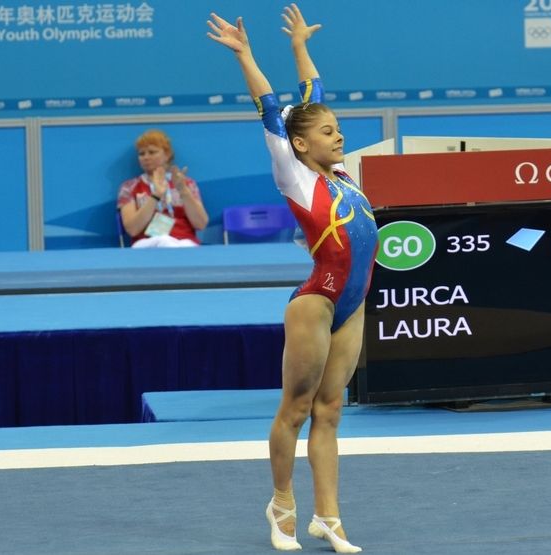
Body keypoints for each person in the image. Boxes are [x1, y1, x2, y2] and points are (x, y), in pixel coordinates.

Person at [208, 5, 377, 552]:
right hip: (318, 302)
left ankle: (329, 516)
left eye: (339, 129)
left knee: (331, 410)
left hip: (354, 302)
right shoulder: (295, 176)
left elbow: (312, 94)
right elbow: (271, 108)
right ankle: (281, 503)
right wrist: (245, 54)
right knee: (297, 409)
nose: (338, 135)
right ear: (300, 145)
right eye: (328, 132)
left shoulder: (342, 174)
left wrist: (301, 46)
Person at [117, 129, 209, 247]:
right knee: (163, 241)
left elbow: (201, 224)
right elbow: (132, 229)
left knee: (174, 244)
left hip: (183, 242)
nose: (146, 157)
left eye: (152, 152)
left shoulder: (186, 184)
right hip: (146, 244)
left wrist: (183, 191)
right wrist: (155, 196)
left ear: (167, 155)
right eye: (141, 154)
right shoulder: (129, 187)